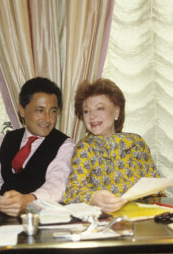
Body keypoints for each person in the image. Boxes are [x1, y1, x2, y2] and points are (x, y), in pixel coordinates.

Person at [0, 77, 75, 217]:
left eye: (53, 111)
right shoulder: (3, 141)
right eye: (40, 110)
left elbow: (57, 186)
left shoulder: (65, 145)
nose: (47, 118)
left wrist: (27, 201)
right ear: (22, 110)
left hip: (38, 219)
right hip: (0, 217)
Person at [63, 78, 160, 213]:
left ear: (116, 112)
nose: (92, 116)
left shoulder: (136, 143)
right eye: (86, 111)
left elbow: (157, 188)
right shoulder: (84, 148)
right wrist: (93, 198)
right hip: (105, 222)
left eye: (100, 108)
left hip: (143, 218)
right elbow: (72, 191)